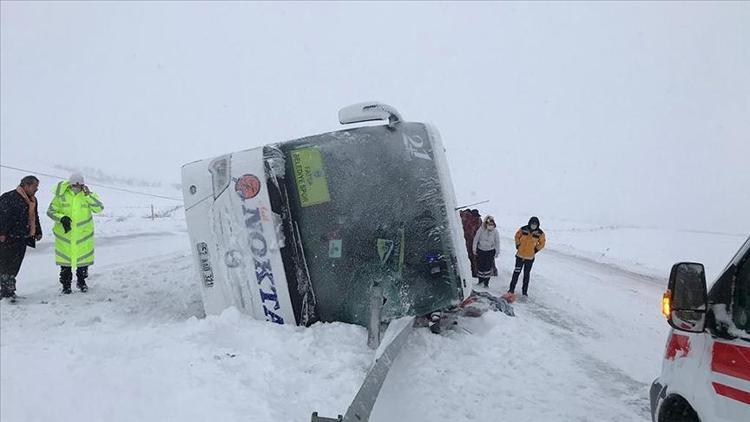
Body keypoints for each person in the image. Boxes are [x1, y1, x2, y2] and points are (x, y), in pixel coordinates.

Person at [47, 173, 103, 294]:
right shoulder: (60, 196)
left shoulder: (87, 195)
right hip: (65, 236)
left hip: (83, 236)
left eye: (80, 185)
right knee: (65, 264)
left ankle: (81, 282)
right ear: (70, 184)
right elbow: (50, 211)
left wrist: (89, 195)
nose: (77, 187)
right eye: (75, 185)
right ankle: (66, 286)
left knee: (83, 263)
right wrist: (61, 218)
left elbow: (99, 208)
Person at [0, 176, 43, 300]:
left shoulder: (33, 200)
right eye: (35, 186)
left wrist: (38, 231)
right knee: (6, 265)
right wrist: (2, 233)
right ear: (26, 185)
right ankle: (6, 292)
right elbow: (2, 216)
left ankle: (9, 291)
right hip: (8, 238)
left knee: (15, 265)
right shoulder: (9, 197)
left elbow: (35, 216)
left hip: (23, 237)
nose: (37, 189)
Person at [508, 216, 546, 297]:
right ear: (529, 223)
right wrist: (518, 244)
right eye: (532, 223)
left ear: (538, 225)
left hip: (529, 258)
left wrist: (535, 250)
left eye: (535, 224)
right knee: (516, 273)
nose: (533, 225)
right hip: (519, 256)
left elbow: (542, 243)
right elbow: (517, 236)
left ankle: (524, 292)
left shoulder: (540, 233)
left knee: (526, 275)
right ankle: (511, 290)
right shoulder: (523, 229)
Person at [472, 215, 500, 287]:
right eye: (489, 224)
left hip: (490, 251)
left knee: (488, 267)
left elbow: (497, 242)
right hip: (481, 250)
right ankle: (480, 280)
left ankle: (486, 283)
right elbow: (476, 239)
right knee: (481, 266)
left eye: (492, 225)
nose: (491, 226)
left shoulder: (495, 232)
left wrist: (497, 251)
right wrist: (474, 249)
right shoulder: (481, 230)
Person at [460, 208, 483, 277]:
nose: (476, 218)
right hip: (467, 241)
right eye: (475, 216)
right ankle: (473, 272)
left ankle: (475, 272)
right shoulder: (466, 219)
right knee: (470, 256)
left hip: (474, 241)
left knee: (474, 257)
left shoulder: (478, 220)